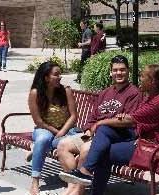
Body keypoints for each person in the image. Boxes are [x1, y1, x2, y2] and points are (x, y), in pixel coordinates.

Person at [59, 65, 159, 195]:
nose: (140, 79)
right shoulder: (150, 97)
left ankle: (87, 175)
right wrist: (120, 119)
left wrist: (101, 121)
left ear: (153, 82)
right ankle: (86, 173)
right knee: (105, 129)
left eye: (143, 76)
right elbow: (135, 117)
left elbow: (131, 120)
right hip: (144, 143)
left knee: (103, 149)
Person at [57, 55, 142, 195]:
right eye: (115, 70)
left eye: (122, 70)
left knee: (85, 149)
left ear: (128, 71)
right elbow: (92, 118)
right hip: (95, 134)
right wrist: (89, 131)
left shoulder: (134, 93)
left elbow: (129, 121)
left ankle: (77, 190)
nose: (119, 73)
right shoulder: (105, 93)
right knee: (63, 145)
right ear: (111, 72)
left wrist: (100, 124)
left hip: (118, 136)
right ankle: (73, 186)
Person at [28, 61, 80, 195]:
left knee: (61, 144)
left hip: (66, 130)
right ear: (46, 77)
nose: (60, 77)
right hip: (44, 128)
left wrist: (62, 132)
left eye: (60, 74)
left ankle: (37, 149)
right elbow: (38, 121)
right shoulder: (35, 93)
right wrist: (56, 131)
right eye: (56, 75)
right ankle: (35, 181)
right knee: (43, 138)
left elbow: (74, 116)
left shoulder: (65, 91)